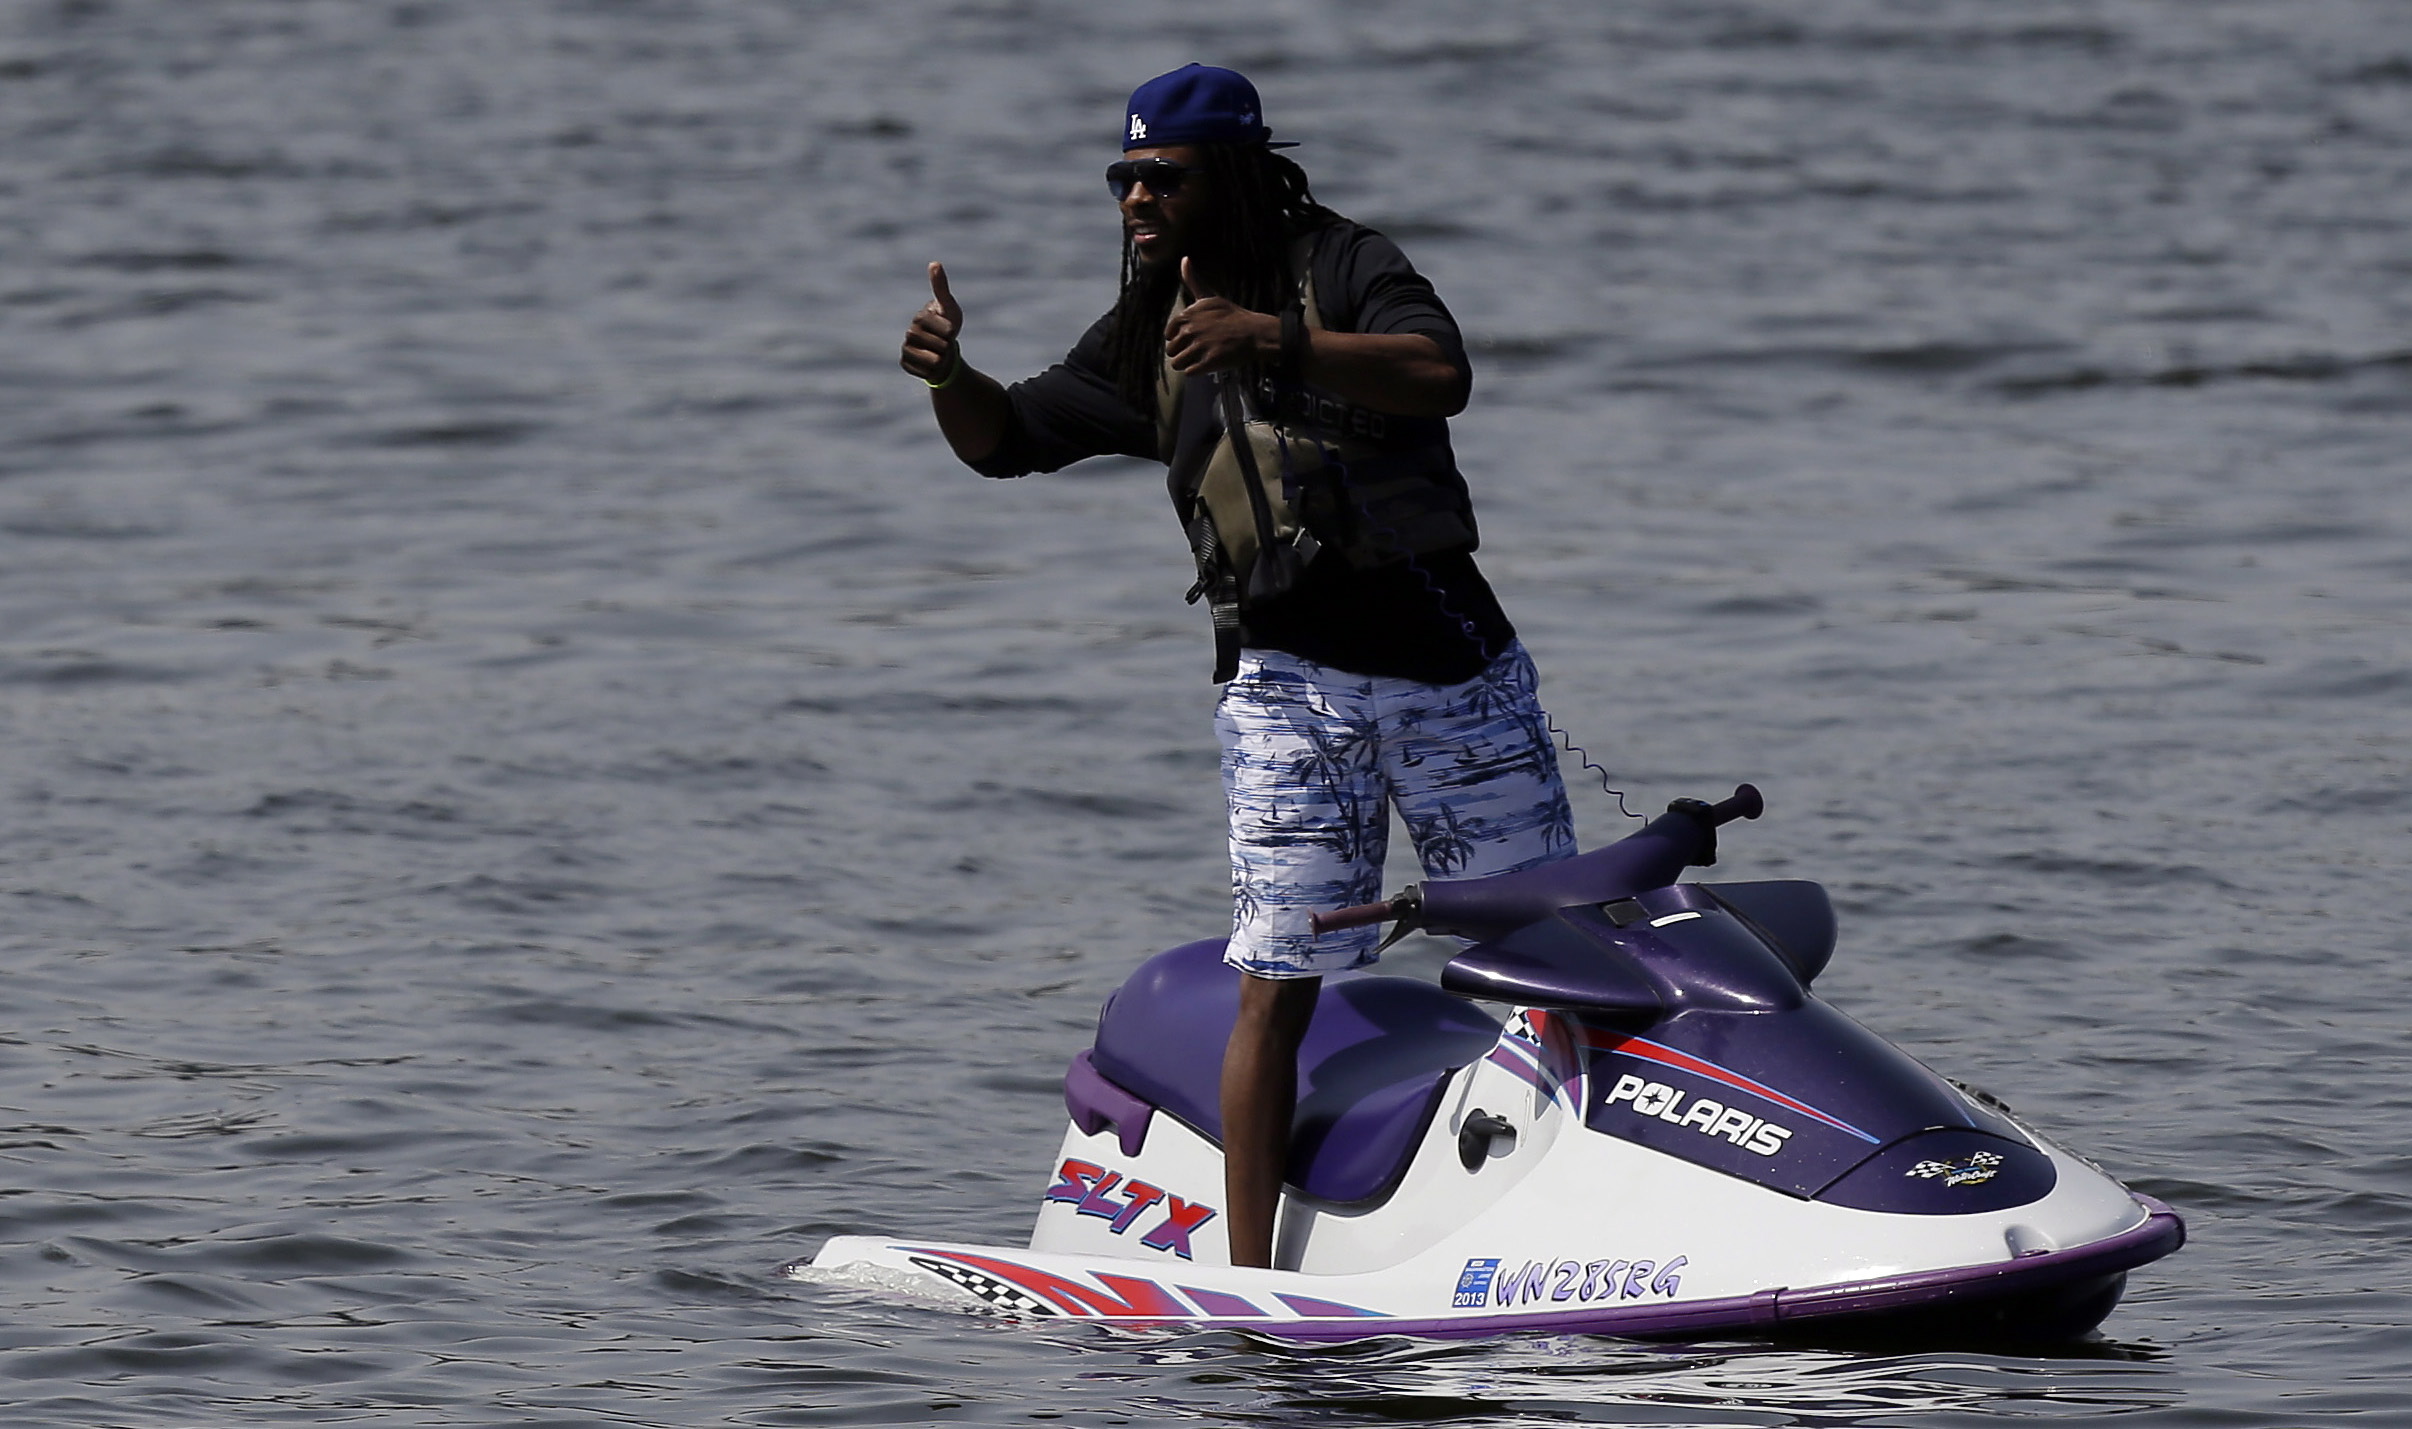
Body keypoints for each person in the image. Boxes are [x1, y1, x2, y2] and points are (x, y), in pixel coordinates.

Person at [898, 64, 1574, 1269]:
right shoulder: (1149, 323)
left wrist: (1273, 338)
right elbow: (1007, 443)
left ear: (1238, 173)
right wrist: (954, 378)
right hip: (1290, 693)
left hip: (1455, 672)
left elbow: (1441, 374)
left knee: (1556, 950)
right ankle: (1255, 1281)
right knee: (1279, 974)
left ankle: (1600, 1202)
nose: (1135, 199)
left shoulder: (1349, 262)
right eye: (1124, 177)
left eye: (1163, 176)